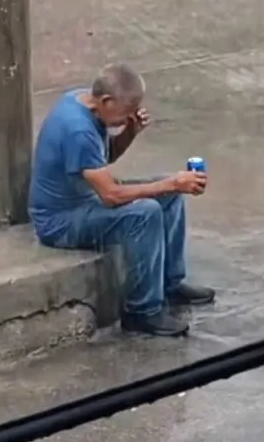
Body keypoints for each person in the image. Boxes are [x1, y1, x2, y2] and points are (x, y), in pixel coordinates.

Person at [28, 63, 215, 337]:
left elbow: (102, 159)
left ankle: (169, 284)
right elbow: (111, 195)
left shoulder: (84, 101)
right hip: (60, 221)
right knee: (146, 212)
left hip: (87, 198)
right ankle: (142, 311)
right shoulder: (78, 129)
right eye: (125, 113)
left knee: (168, 196)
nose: (127, 118)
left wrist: (129, 132)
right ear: (106, 101)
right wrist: (174, 182)